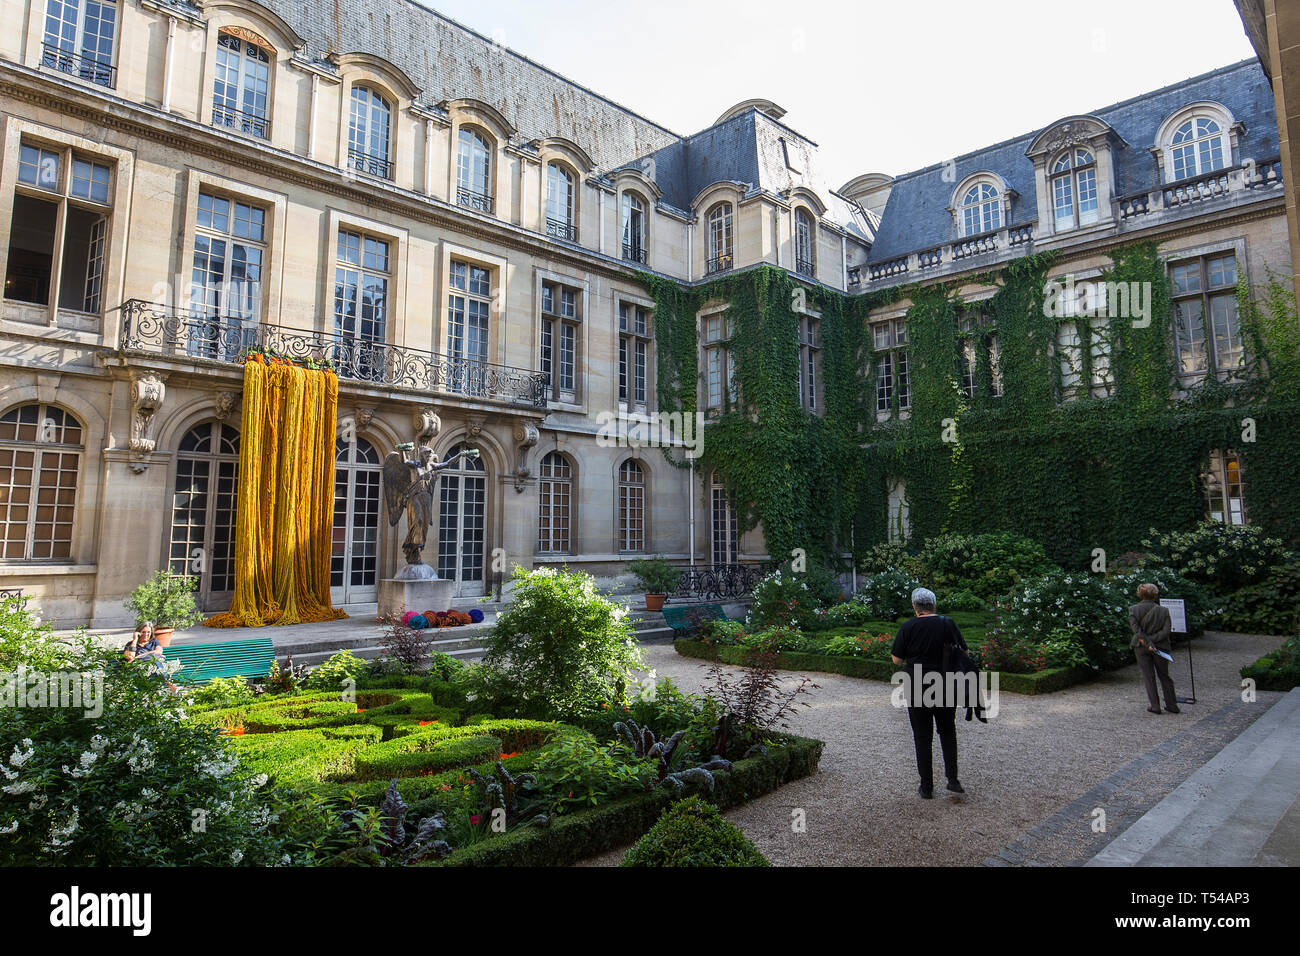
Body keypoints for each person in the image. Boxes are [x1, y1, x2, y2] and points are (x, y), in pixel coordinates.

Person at [891, 587, 967, 798]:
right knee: (947, 731)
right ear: (934, 605)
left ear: (915, 608)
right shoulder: (947, 623)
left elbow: (896, 659)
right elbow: (965, 652)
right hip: (945, 684)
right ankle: (952, 779)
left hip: (916, 686)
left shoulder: (908, 626)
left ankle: (926, 787)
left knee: (922, 737)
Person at [1130, 583, 1179, 714]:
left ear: (1140, 594)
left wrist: (1147, 642)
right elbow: (1166, 630)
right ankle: (1172, 705)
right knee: (1164, 676)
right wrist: (1153, 642)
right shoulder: (1163, 610)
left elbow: (1136, 630)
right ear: (1155, 594)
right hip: (1161, 646)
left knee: (1149, 677)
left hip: (1140, 646)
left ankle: (1155, 706)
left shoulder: (1133, 609)